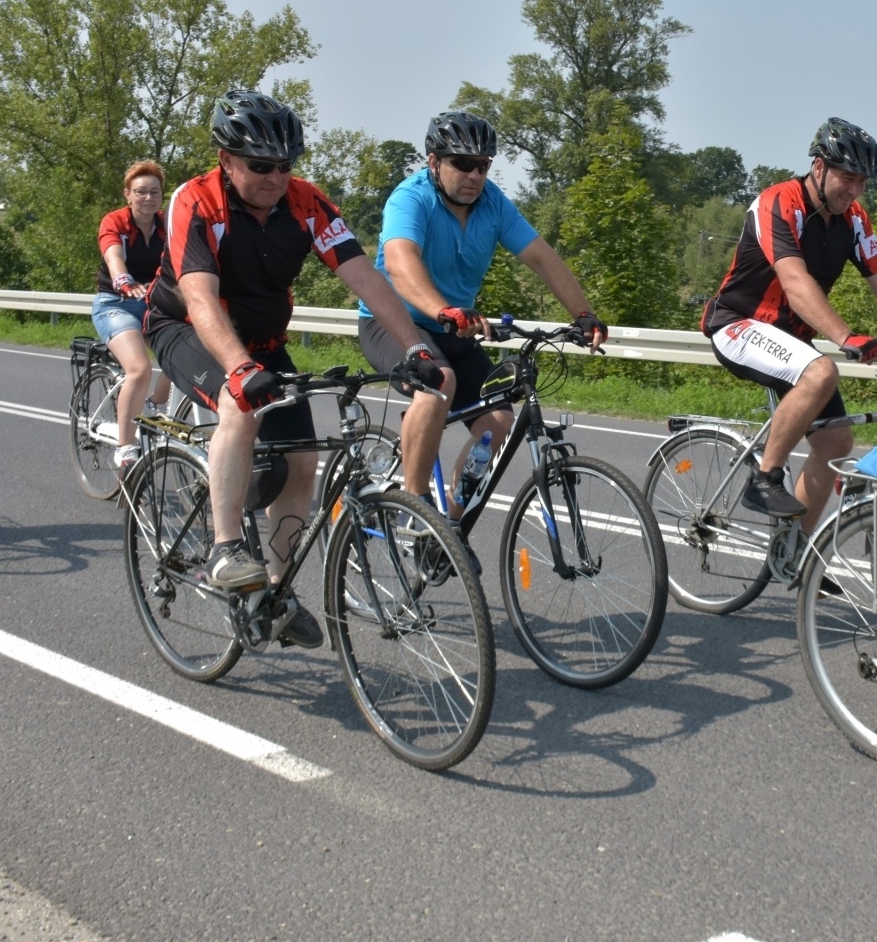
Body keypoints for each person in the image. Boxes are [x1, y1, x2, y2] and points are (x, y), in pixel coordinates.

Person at [147, 90, 444, 649]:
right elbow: (200, 298)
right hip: (185, 327)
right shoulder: (196, 200)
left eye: (285, 166)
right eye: (261, 166)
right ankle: (226, 546)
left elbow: (366, 278)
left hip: (263, 341)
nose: (276, 178)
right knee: (240, 403)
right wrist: (238, 367)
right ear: (226, 160)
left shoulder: (307, 204)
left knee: (304, 456)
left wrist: (414, 348)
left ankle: (278, 593)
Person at [358, 111, 606, 557]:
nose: (475, 174)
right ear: (434, 161)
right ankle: (413, 511)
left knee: (497, 423)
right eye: (462, 163)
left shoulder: (493, 204)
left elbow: (543, 258)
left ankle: (447, 527)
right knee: (438, 381)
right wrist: (443, 308)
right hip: (393, 320)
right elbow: (400, 264)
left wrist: (584, 313)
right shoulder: (410, 199)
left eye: (484, 164)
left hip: (453, 324)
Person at [700, 117, 877, 532]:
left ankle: (797, 554)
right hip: (738, 325)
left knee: (836, 441)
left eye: (863, 181)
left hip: (791, 342)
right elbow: (794, 280)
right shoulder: (778, 202)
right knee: (823, 370)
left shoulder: (854, 219)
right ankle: (765, 478)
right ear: (819, 168)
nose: (855, 190)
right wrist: (844, 336)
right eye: (848, 177)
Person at [91, 160, 173, 471]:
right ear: (128, 194)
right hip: (115, 304)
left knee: (192, 347)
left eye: (155, 192)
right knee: (139, 369)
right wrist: (123, 280)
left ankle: (157, 403)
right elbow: (113, 254)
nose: (149, 198)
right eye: (141, 192)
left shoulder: (168, 225)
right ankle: (126, 448)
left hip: (154, 303)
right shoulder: (115, 221)